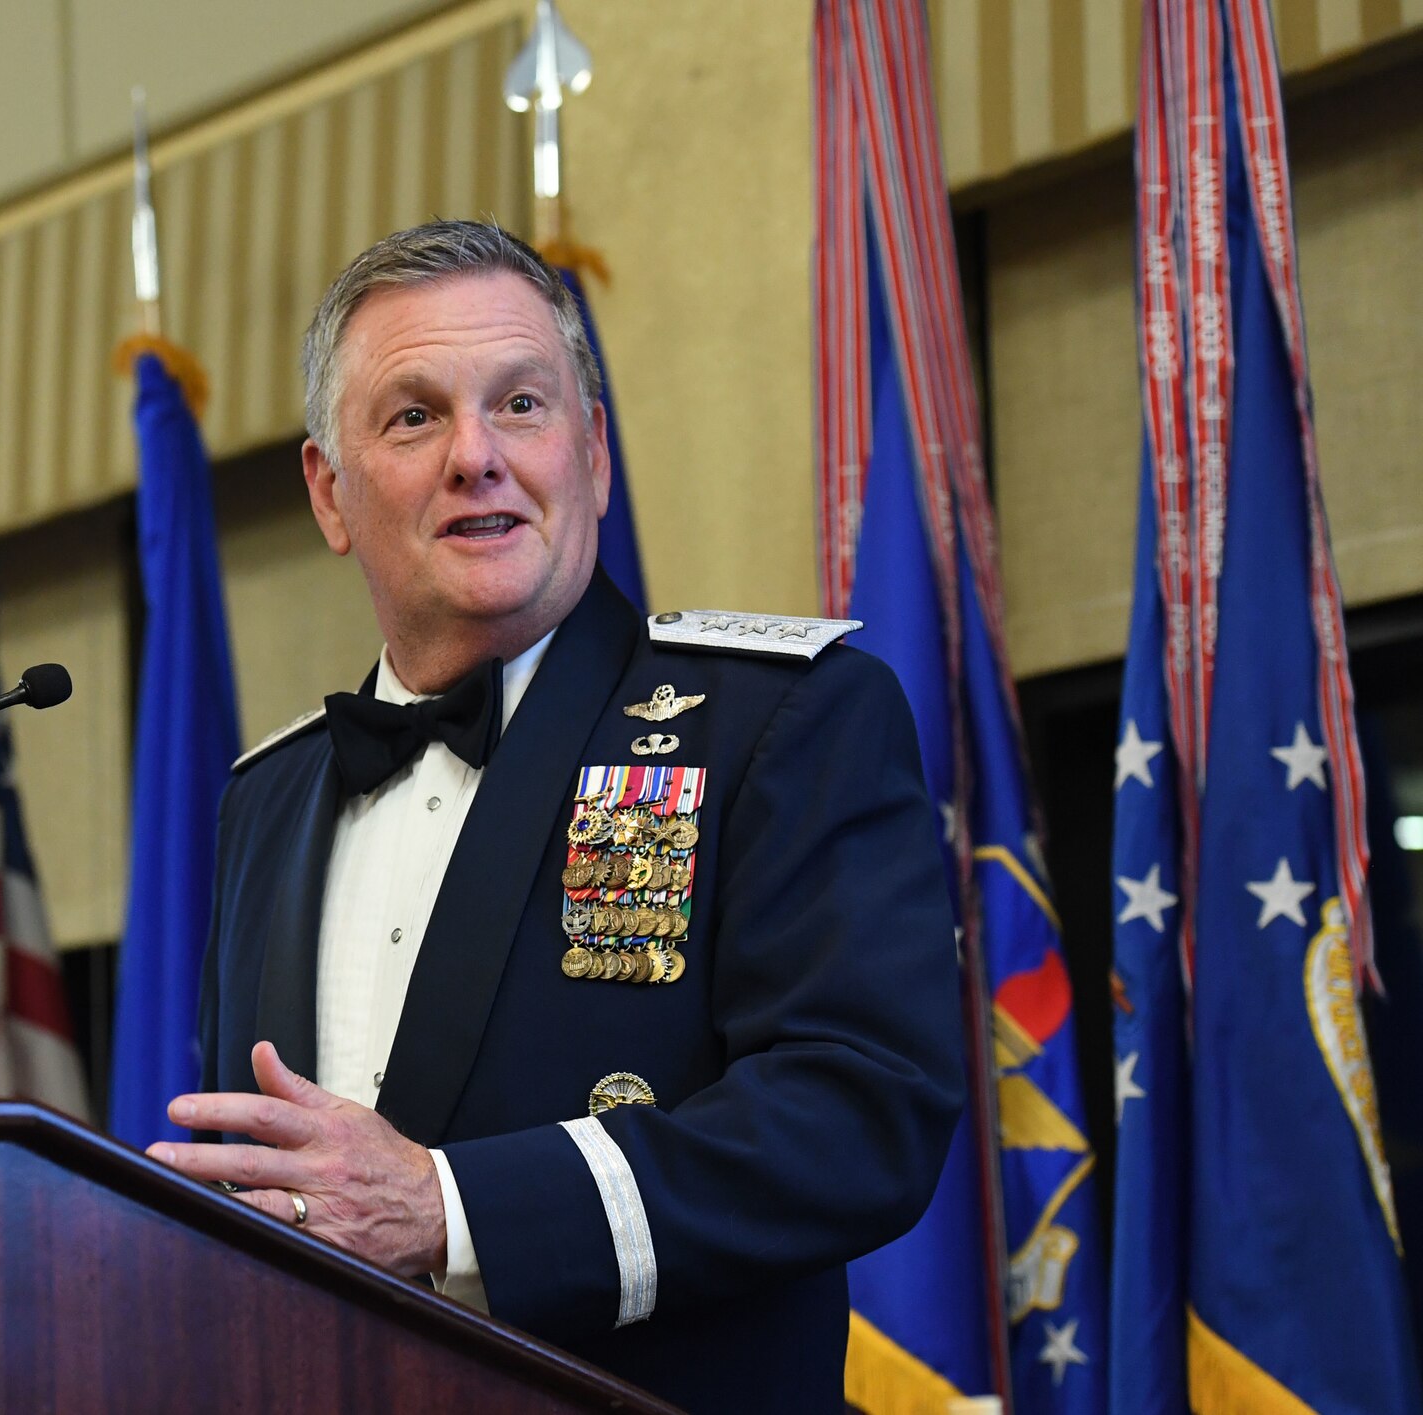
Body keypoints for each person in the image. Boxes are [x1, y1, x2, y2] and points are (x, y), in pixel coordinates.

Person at [141, 219, 965, 1414]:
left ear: (593, 452)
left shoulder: (778, 721)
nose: (476, 455)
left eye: (520, 404)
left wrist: (451, 1211)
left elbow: (858, 1117)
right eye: (414, 415)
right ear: (329, 490)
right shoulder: (264, 796)